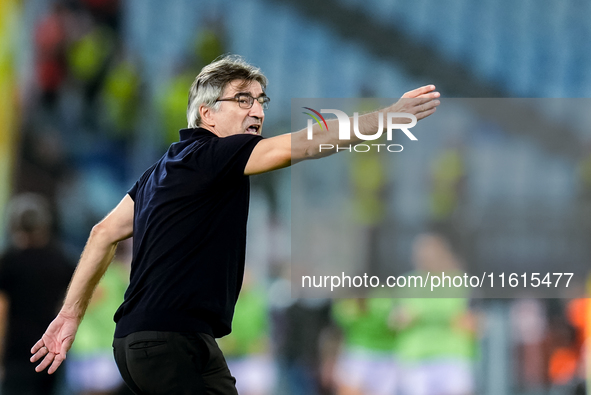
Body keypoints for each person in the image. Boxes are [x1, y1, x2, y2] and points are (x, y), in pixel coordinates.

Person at [30, 54, 440, 394]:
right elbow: (308, 143)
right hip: (171, 341)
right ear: (206, 114)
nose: (258, 110)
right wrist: (388, 116)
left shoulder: (160, 171)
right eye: (242, 100)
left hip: (153, 341)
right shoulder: (217, 155)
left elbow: (103, 234)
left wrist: (69, 315)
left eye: (261, 100)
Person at [0, 193, 74, 395]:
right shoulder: (62, 261)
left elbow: (2, 311)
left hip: (16, 352)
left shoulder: (9, 261)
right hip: (50, 351)